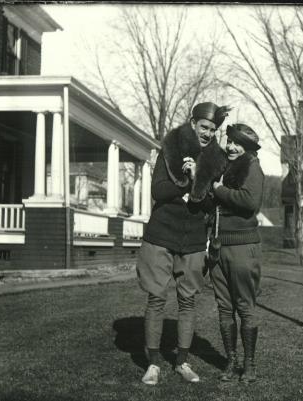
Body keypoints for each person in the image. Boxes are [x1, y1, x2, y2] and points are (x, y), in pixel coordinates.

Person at [137, 102, 230, 386]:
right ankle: (153, 364)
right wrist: (184, 182)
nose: (207, 134)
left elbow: (213, 202)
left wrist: (198, 179)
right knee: (156, 297)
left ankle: (182, 362)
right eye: (204, 127)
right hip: (162, 233)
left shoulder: (216, 158)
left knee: (188, 300)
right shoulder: (172, 146)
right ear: (193, 122)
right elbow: (158, 191)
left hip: (192, 238)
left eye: (213, 130)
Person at [209, 123, 264, 384]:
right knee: (224, 307)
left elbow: (249, 201)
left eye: (237, 143)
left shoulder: (252, 166)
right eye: (229, 140)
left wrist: (218, 190)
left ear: (249, 147)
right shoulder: (223, 167)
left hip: (243, 247)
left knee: (245, 307)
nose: (231, 146)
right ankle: (231, 362)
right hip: (219, 247)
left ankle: (249, 365)